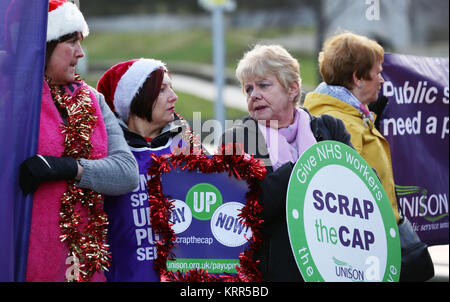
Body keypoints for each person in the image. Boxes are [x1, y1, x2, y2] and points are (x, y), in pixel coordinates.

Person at [18, 0, 139, 282]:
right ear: (43, 45)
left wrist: (71, 168)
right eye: (71, 42)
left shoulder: (93, 99)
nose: (80, 53)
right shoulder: (12, 101)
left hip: (85, 260)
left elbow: (126, 172)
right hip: (24, 259)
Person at [221, 44, 353, 281]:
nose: (254, 95)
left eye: (263, 85)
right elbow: (244, 208)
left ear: (292, 89)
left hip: (333, 266)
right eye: (248, 89)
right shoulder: (236, 139)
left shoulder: (330, 129)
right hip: (271, 274)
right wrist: (304, 171)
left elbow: (359, 185)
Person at [97, 58, 195, 281]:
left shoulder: (187, 146)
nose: (174, 97)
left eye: (171, 88)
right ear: (136, 98)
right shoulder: (107, 153)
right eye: (162, 90)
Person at [303, 32, 401, 224]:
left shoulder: (351, 114)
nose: (381, 80)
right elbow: (345, 200)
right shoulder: (343, 123)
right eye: (378, 72)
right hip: (368, 239)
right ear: (358, 78)